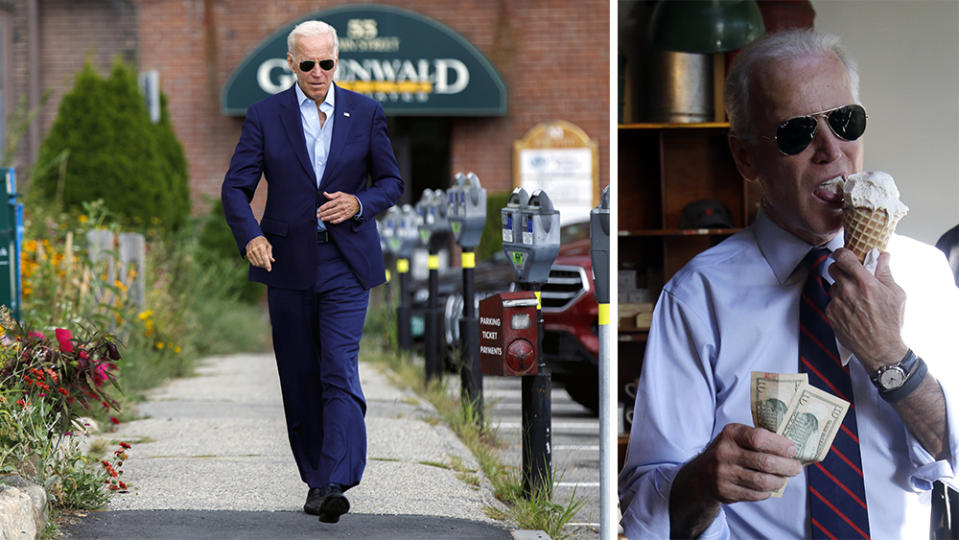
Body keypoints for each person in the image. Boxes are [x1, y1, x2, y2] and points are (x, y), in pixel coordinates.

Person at [618, 30, 959, 539]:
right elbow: (645, 515)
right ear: (746, 158)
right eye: (796, 133)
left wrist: (892, 359)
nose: (831, 150)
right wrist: (703, 480)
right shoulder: (695, 299)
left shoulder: (927, 273)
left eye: (846, 122)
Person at [221, 20, 403, 524]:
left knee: (338, 368)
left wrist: (360, 203)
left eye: (327, 63)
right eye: (308, 64)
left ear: (336, 62)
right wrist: (251, 236)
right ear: (291, 64)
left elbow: (391, 181)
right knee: (300, 375)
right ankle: (316, 477)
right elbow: (235, 188)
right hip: (287, 262)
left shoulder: (365, 112)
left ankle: (334, 479)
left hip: (347, 263)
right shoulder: (264, 115)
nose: (318, 72)